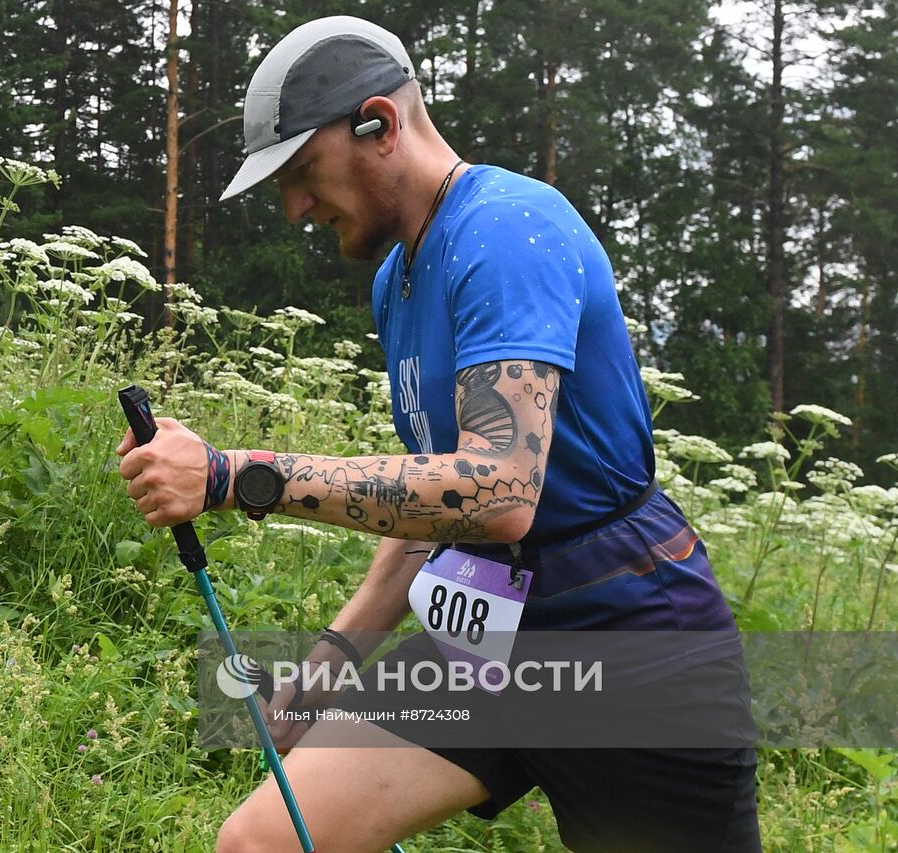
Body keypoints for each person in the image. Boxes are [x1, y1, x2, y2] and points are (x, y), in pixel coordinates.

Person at [116, 15, 760, 853]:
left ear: (378, 124)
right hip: (487, 636)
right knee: (263, 843)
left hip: (630, 643)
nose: (295, 207)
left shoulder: (505, 231)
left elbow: (496, 491)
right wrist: (326, 674)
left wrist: (240, 474)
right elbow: (439, 503)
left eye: (305, 170)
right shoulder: (399, 277)